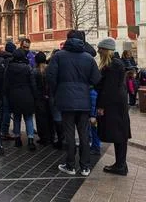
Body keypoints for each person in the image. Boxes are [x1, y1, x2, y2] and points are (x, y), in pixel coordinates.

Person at [47, 30, 101, 177]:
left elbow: (50, 76)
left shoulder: (58, 56)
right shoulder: (88, 58)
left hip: (66, 100)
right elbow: (96, 79)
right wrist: (86, 86)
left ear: (68, 40)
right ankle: (85, 167)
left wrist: (57, 91)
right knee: (84, 134)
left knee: (69, 134)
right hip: (84, 100)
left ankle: (70, 165)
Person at [95, 37, 131, 176]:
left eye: (100, 49)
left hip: (114, 104)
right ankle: (121, 164)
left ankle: (121, 165)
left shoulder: (113, 65)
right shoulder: (116, 64)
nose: (98, 51)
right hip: (117, 103)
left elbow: (108, 88)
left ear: (106, 50)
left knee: (119, 134)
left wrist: (101, 106)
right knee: (119, 134)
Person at [4, 49, 37, 151]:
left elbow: (6, 83)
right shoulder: (27, 67)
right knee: (28, 118)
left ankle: (18, 139)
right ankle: (31, 140)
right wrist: (35, 95)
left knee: (17, 118)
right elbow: (33, 83)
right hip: (27, 94)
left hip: (14, 95)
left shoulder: (9, 67)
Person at [33, 52, 54, 145]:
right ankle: (51, 136)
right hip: (50, 97)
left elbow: (33, 86)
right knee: (50, 117)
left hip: (39, 98)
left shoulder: (34, 71)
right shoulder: (50, 69)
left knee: (41, 119)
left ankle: (44, 138)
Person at [89, 86, 101, 155]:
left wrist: (93, 116)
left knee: (95, 132)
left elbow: (93, 105)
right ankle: (94, 146)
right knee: (94, 131)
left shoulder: (93, 92)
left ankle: (96, 148)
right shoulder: (95, 91)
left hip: (95, 116)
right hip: (95, 115)